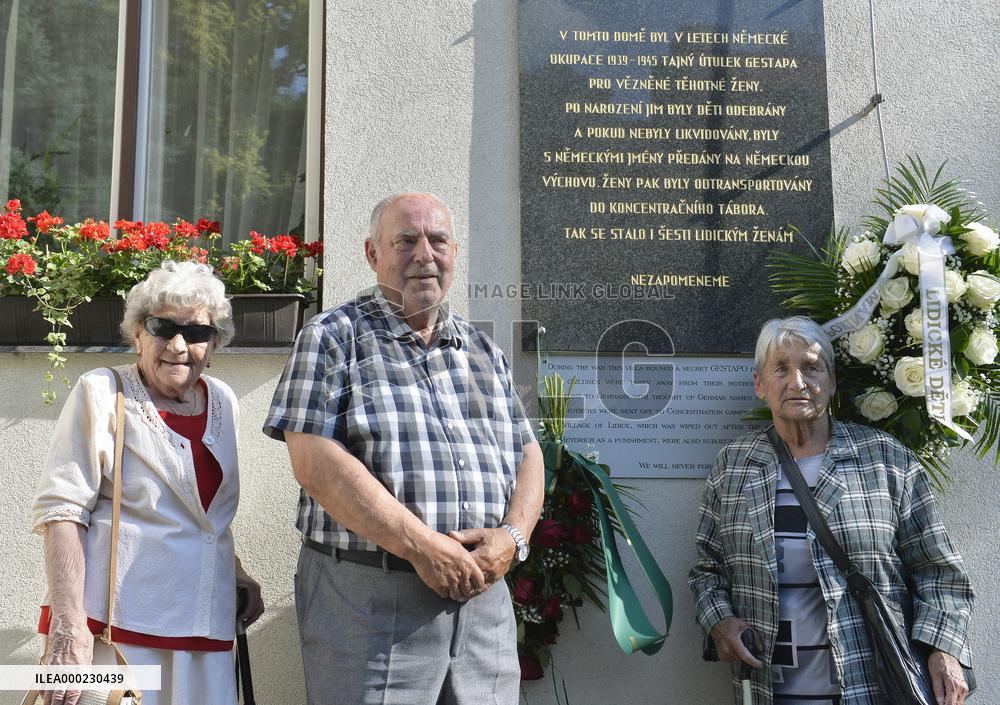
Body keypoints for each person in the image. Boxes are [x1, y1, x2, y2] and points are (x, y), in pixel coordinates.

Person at [263, 191, 544, 705]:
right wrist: (422, 546)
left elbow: (528, 451)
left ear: (455, 253)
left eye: (437, 241)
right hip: (370, 604)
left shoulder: (483, 350)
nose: (424, 255)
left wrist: (514, 537)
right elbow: (314, 462)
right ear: (372, 254)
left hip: (484, 611)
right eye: (405, 241)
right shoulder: (332, 337)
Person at [689, 316, 974, 705]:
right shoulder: (735, 464)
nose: (798, 382)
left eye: (811, 367)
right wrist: (717, 621)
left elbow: (937, 570)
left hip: (868, 684)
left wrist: (944, 649)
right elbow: (708, 567)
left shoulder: (885, 459)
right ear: (760, 384)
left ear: (832, 381)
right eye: (781, 369)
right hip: (772, 687)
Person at [32, 260, 264, 705]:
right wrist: (68, 629)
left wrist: (234, 571)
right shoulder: (101, 391)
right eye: (163, 327)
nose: (179, 345)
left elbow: (200, 510)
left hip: (205, 627)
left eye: (196, 333)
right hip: (113, 631)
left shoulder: (224, 402)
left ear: (213, 344)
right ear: (137, 333)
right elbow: (62, 510)